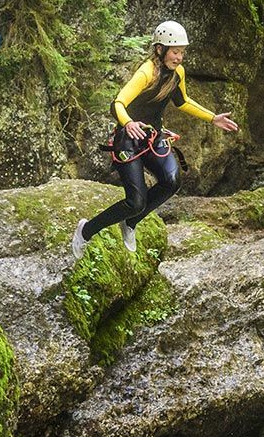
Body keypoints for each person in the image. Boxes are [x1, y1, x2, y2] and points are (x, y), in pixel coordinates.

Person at [71, 20, 238, 259]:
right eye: (175, 51)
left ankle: (130, 223)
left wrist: (212, 118)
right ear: (160, 50)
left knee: (172, 181)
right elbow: (118, 103)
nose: (179, 57)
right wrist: (128, 123)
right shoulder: (146, 72)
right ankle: (86, 231)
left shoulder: (177, 73)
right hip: (128, 140)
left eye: (182, 52)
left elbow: (182, 102)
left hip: (153, 137)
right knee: (135, 201)